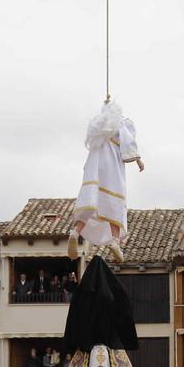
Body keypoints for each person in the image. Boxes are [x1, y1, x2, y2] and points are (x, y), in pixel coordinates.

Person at [69, 99, 144, 262]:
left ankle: (75, 232)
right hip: (112, 168)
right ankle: (115, 242)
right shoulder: (121, 124)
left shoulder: (97, 125)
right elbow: (128, 144)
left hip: (95, 167)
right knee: (114, 203)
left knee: (91, 201)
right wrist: (138, 160)